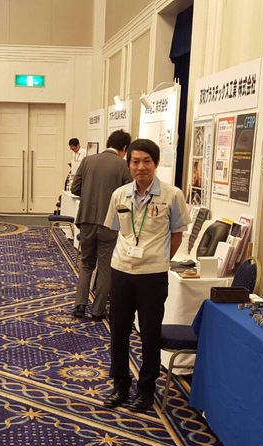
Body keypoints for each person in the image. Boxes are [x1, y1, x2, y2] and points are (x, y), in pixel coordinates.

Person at [102, 139, 189, 413]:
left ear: (156, 163)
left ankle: (146, 390)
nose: (141, 167)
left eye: (146, 161)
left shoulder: (172, 195)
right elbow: (117, 229)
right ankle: (120, 385)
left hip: (152, 274)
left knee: (150, 333)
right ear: (128, 164)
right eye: (135, 162)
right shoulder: (119, 195)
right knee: (119, 331)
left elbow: (177, 235)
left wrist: (160, 259)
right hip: (121, 270)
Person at [71, 129, 132, 321]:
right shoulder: (123, 166)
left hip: (86, 220)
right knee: (105, 267)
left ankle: (80, 305)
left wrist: (90, 195)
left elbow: (75, 188)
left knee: (86, 263)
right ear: (124, 148)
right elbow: (130, 195)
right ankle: (97, 311)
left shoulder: (88, 160)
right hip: (109, 223)